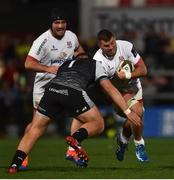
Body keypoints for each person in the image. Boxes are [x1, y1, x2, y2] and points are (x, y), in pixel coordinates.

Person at [7, 54, 141, 174]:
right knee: (98, 123)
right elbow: (109, 88)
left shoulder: (66, 64)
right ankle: (76, 139)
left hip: (51, 90)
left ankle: (14, 164)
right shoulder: (95, 64)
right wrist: (128, 112)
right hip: (72, 91)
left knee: (35, 129)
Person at [68, 29, 149, 163]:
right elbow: (106, 89)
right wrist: (118, 83)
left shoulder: (126, 47)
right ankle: (139, 144)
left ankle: (122, 140)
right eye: (106, 45)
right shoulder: (98, 61)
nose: (111, 47)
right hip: (118, 93)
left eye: (112, 43)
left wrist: (127, 75)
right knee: (138, 112)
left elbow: (143, 69)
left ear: (114, 39)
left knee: (135, 118)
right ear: (100, 46)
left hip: (135, 88)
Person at [20, 8, 85, 169]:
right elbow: (28, 64)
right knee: (38, 127)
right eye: (57, 22)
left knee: (81, 115)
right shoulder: (42, 41)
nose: (60, 26)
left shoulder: (71, 36)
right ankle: (22, 154)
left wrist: (82, 62)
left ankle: (72, 150)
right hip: (44, 87)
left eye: (63, 22)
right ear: (51, 24)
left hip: (65, 84)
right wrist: (48, 69)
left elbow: (79, 51)